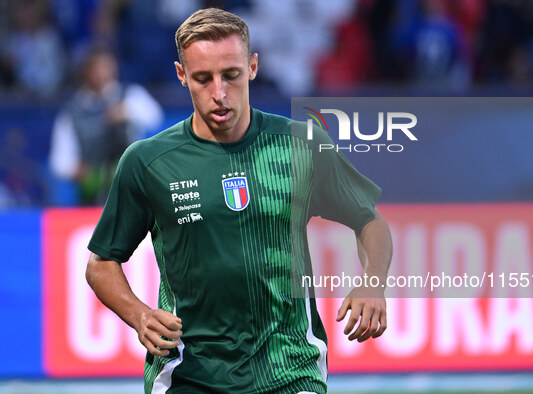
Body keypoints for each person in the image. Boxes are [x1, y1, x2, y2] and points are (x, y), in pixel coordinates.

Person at [85, 8, 392, 394]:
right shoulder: (148, 162)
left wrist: (373, 282)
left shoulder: (302, 145)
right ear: (182, 75)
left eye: (230, 75)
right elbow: (101, 263)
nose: (219, 93)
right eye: (202, 78)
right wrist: (139, 314)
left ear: (252, 66)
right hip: (188, 372)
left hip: (290, 367)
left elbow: (369, 220)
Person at [49, 47, 163, 205]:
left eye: (108, 68)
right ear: (86, 72)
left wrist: (125, 111)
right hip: (92, 194)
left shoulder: (129, 94)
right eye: (98, 69)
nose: (103, 74)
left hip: (129, 187)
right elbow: (59, 162)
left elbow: (154, 116)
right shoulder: (72, 112)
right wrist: (78, 171)